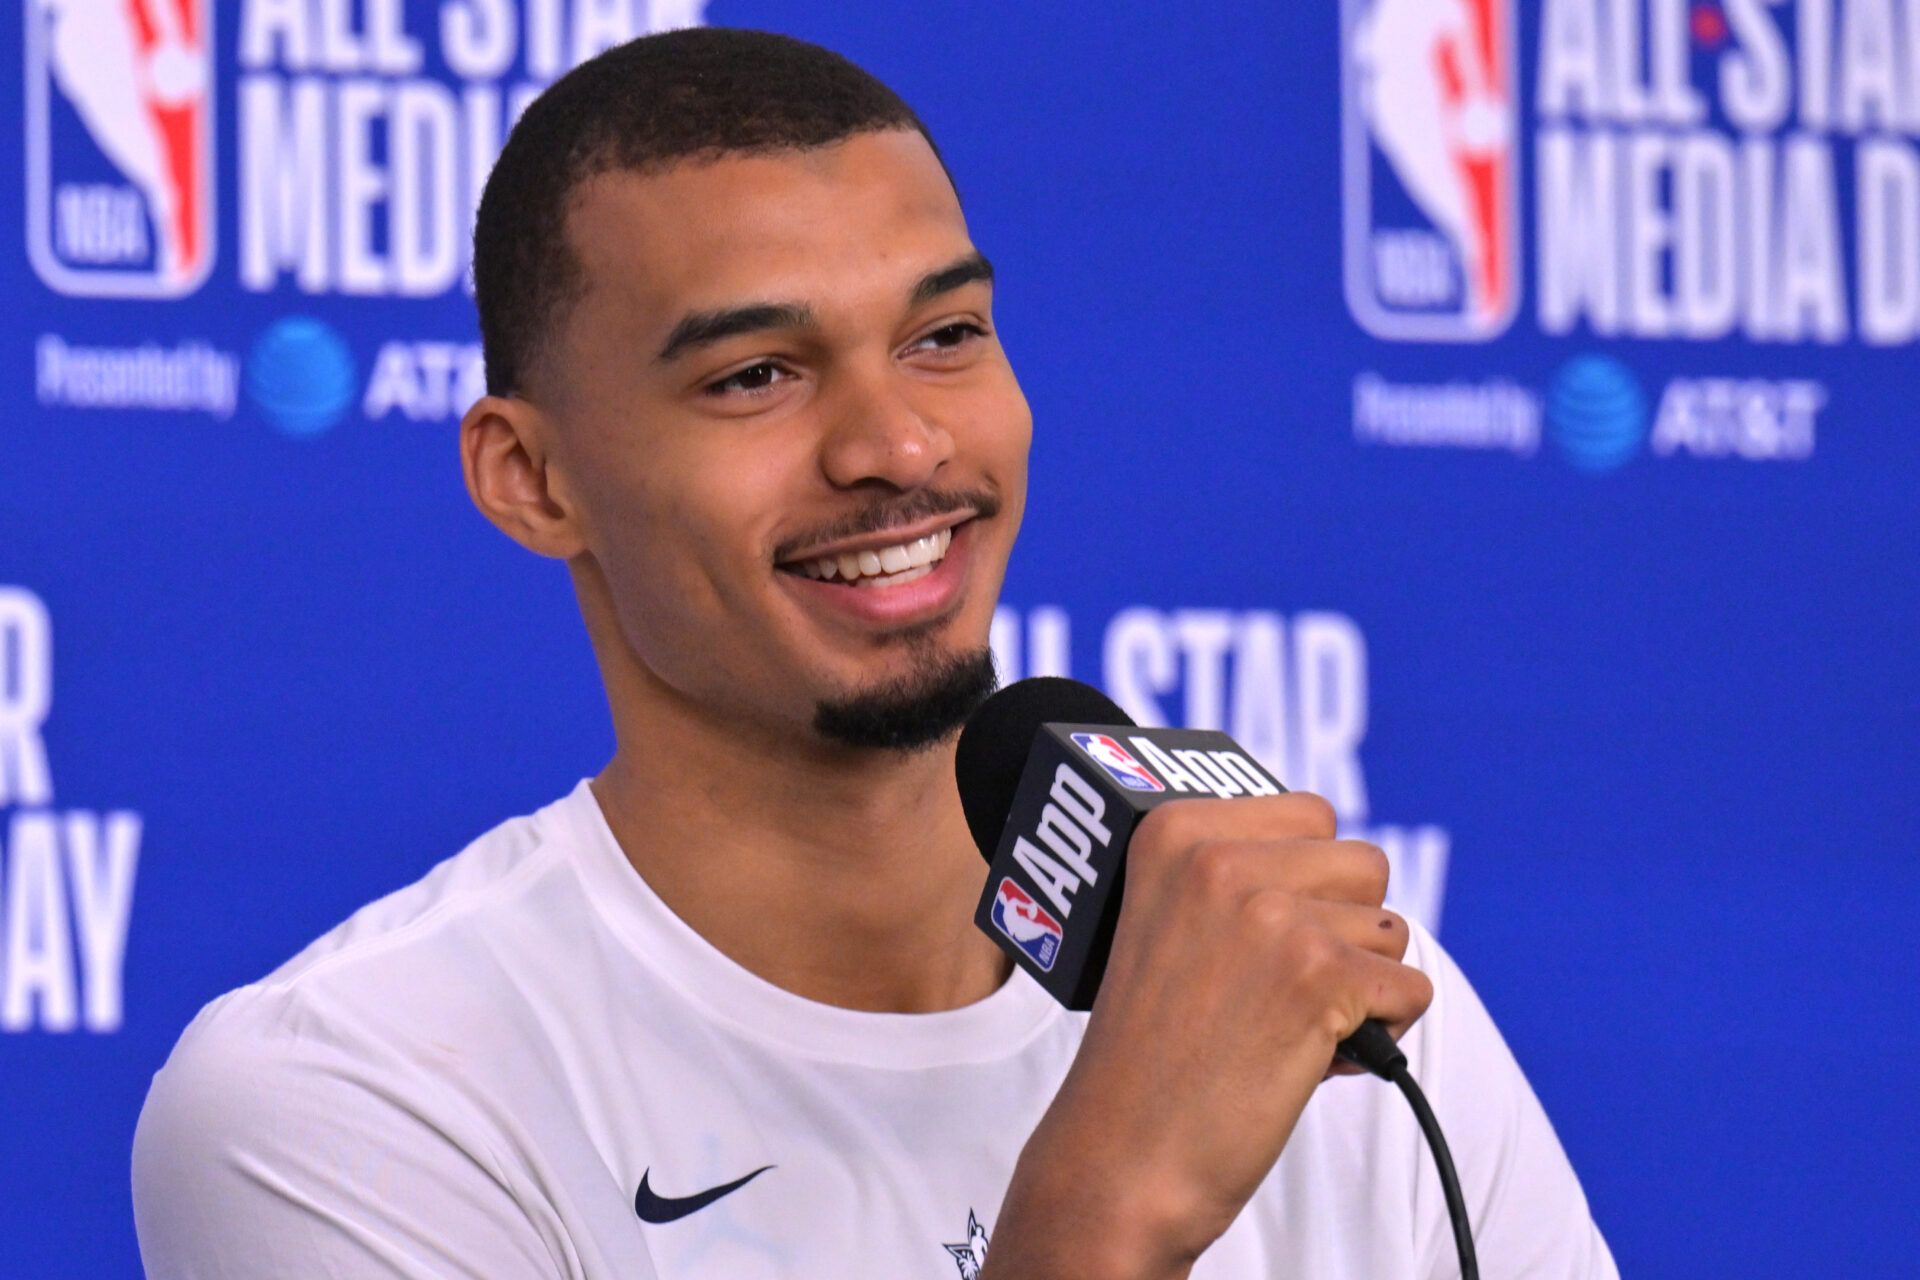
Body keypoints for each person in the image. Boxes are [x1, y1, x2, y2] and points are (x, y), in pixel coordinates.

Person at [132, 28, 1615, 1279]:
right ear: (533, 479)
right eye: (757, 375)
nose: (897, 445)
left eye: (945, 335)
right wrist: (1099, 1218)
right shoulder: (350, 1093)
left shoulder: (1324, 984)